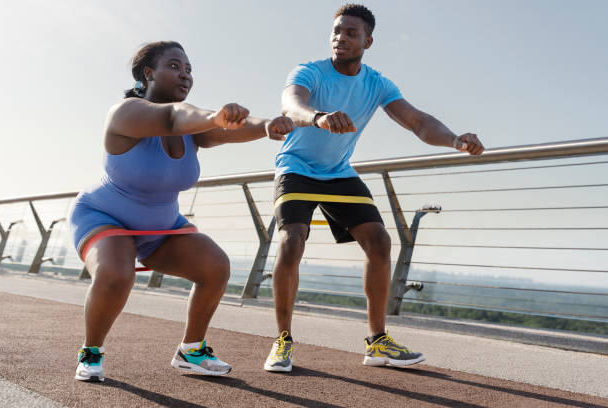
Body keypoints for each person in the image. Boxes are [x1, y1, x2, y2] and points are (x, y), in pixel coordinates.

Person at [264, 4, 484, 372]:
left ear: (368, 40)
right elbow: (292, 104)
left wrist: (455, 140)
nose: (341, 38)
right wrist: (318, 118)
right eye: (336, 31)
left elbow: (417, 121)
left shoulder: (377, 83)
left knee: (380, 241)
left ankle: (377, 342)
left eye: (351, 33)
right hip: (296, 168)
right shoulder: (308, 71)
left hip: (337, 172)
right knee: (292, 240)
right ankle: (283, 340)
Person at [70, 41, 293, 382]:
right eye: (174, 66)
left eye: (188, 69)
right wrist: (213, 115)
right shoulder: (125, 113)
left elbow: (225, 129)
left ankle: (191, 350)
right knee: (117, 275)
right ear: (149, 73)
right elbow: (173, 117)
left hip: (161, 225)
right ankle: (91, 351)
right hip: (104, 215)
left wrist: (266, 126)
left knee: (215, 267)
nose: (185, 75)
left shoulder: (194, 128)